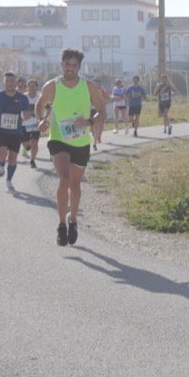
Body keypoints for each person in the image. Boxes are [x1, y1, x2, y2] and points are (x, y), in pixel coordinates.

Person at [35, 49, 110, 247]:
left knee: (75, 185)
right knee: (64, 179)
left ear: (79, 67)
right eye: (67, 65)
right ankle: (61, 225)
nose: (70, 68)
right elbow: (40, 104)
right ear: (62, 65)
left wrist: (87, 121)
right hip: (58, 138)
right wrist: (42, 120)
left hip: (81, 141)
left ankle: (73, 220)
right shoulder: (52, 86)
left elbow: (102, 111)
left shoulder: (89, 86)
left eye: (74, 65)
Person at [0, 72, 34, 188]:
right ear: (4, 82)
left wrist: (26, 116)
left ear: (16, 82)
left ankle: (9, 180)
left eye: (12, 81)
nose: (10, 83)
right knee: (1, 155)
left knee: (12, 158)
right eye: (7, 81)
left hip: (16, 132)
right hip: (1, 131)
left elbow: (26, 115)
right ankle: (1, 164)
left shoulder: (22, 98)